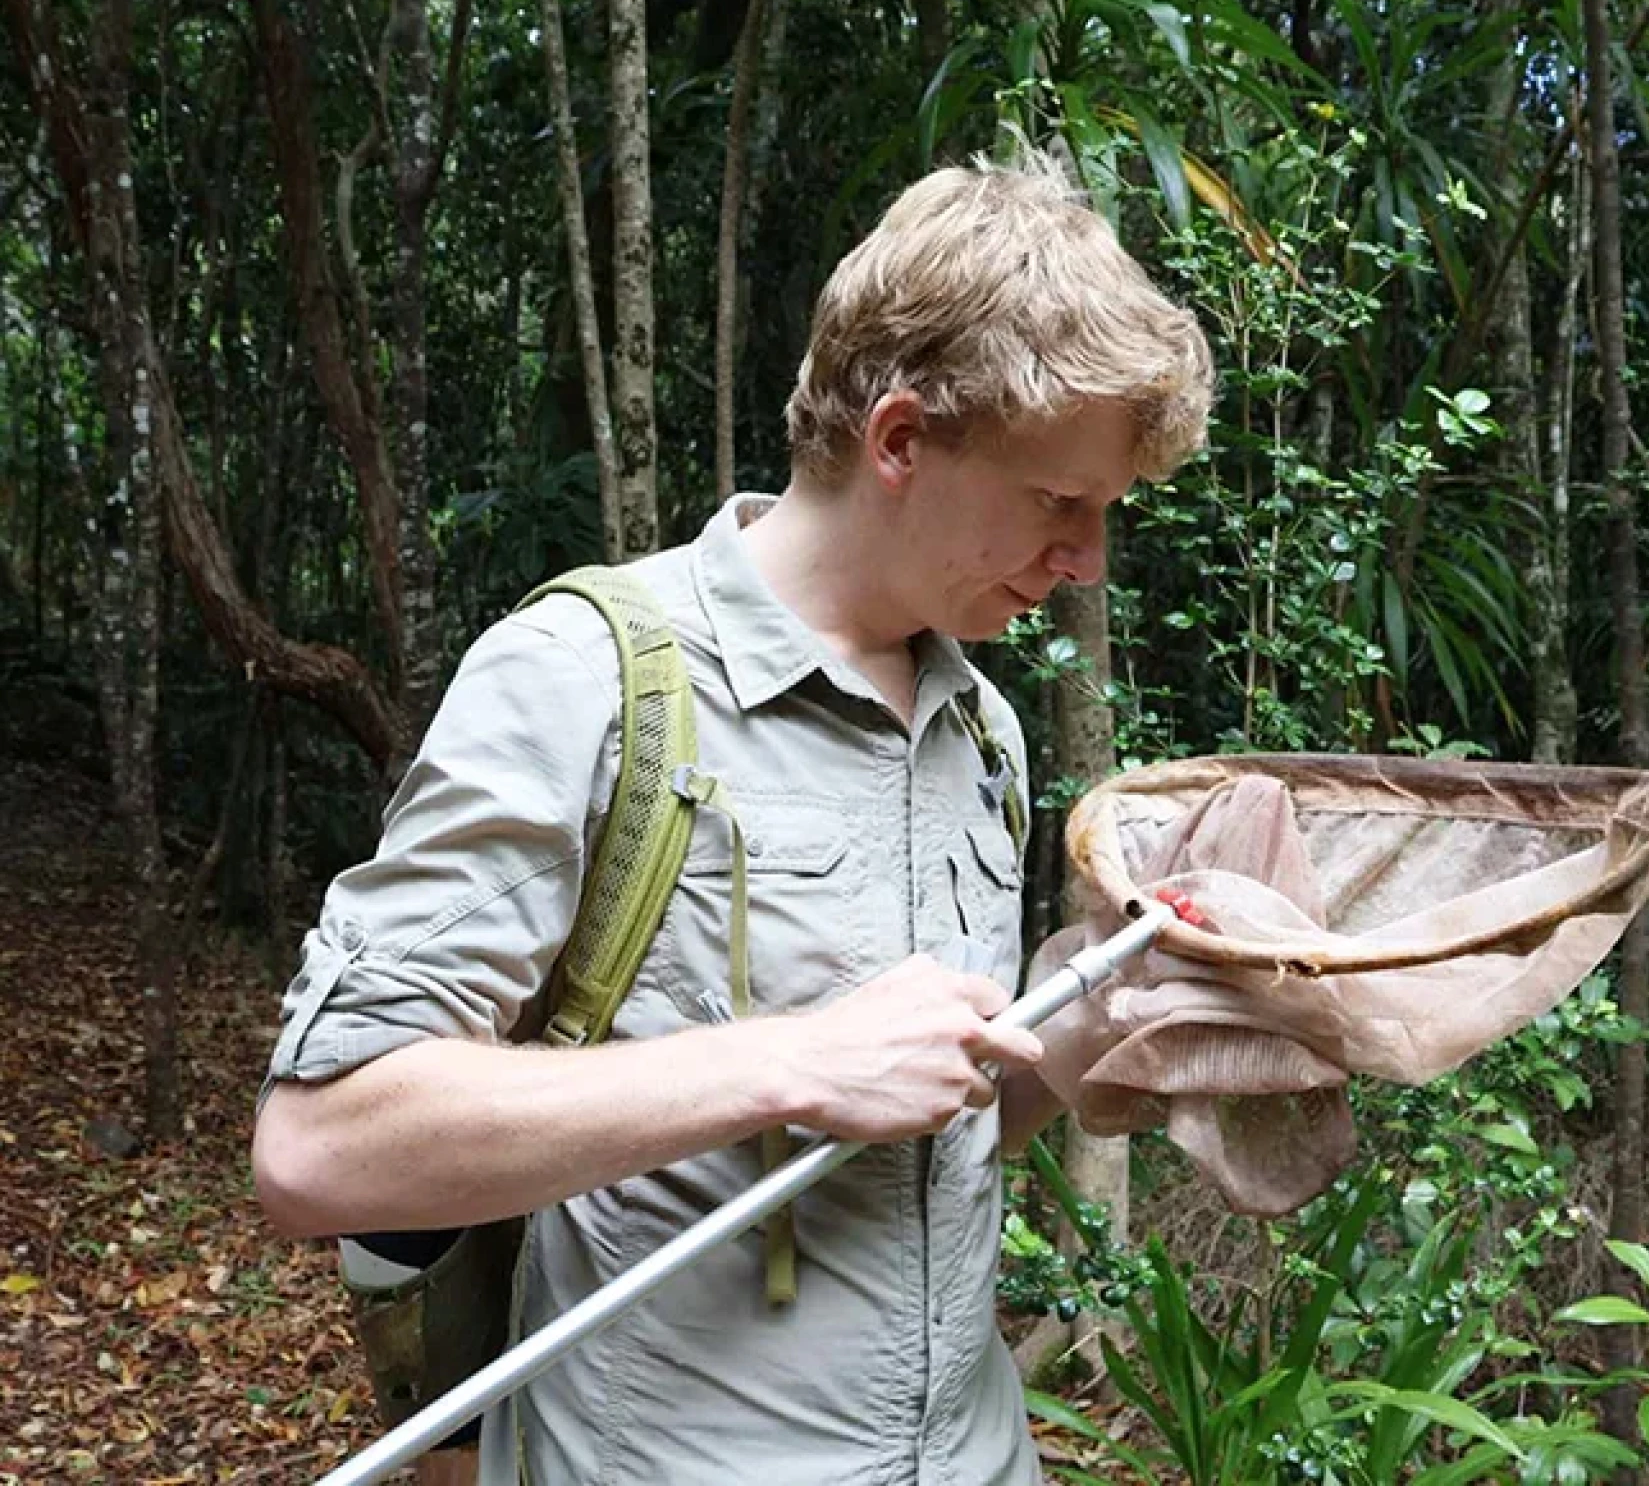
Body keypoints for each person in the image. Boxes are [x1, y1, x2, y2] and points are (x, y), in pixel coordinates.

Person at [252, 153, 1212, 1486]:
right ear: (899, 439)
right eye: (1062, 501)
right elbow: (320, 1147)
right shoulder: (587, 677)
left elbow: (944, 1117)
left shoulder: (979, 726)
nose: (1089, 557)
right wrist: (789, 1064)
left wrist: (1086, 1009)